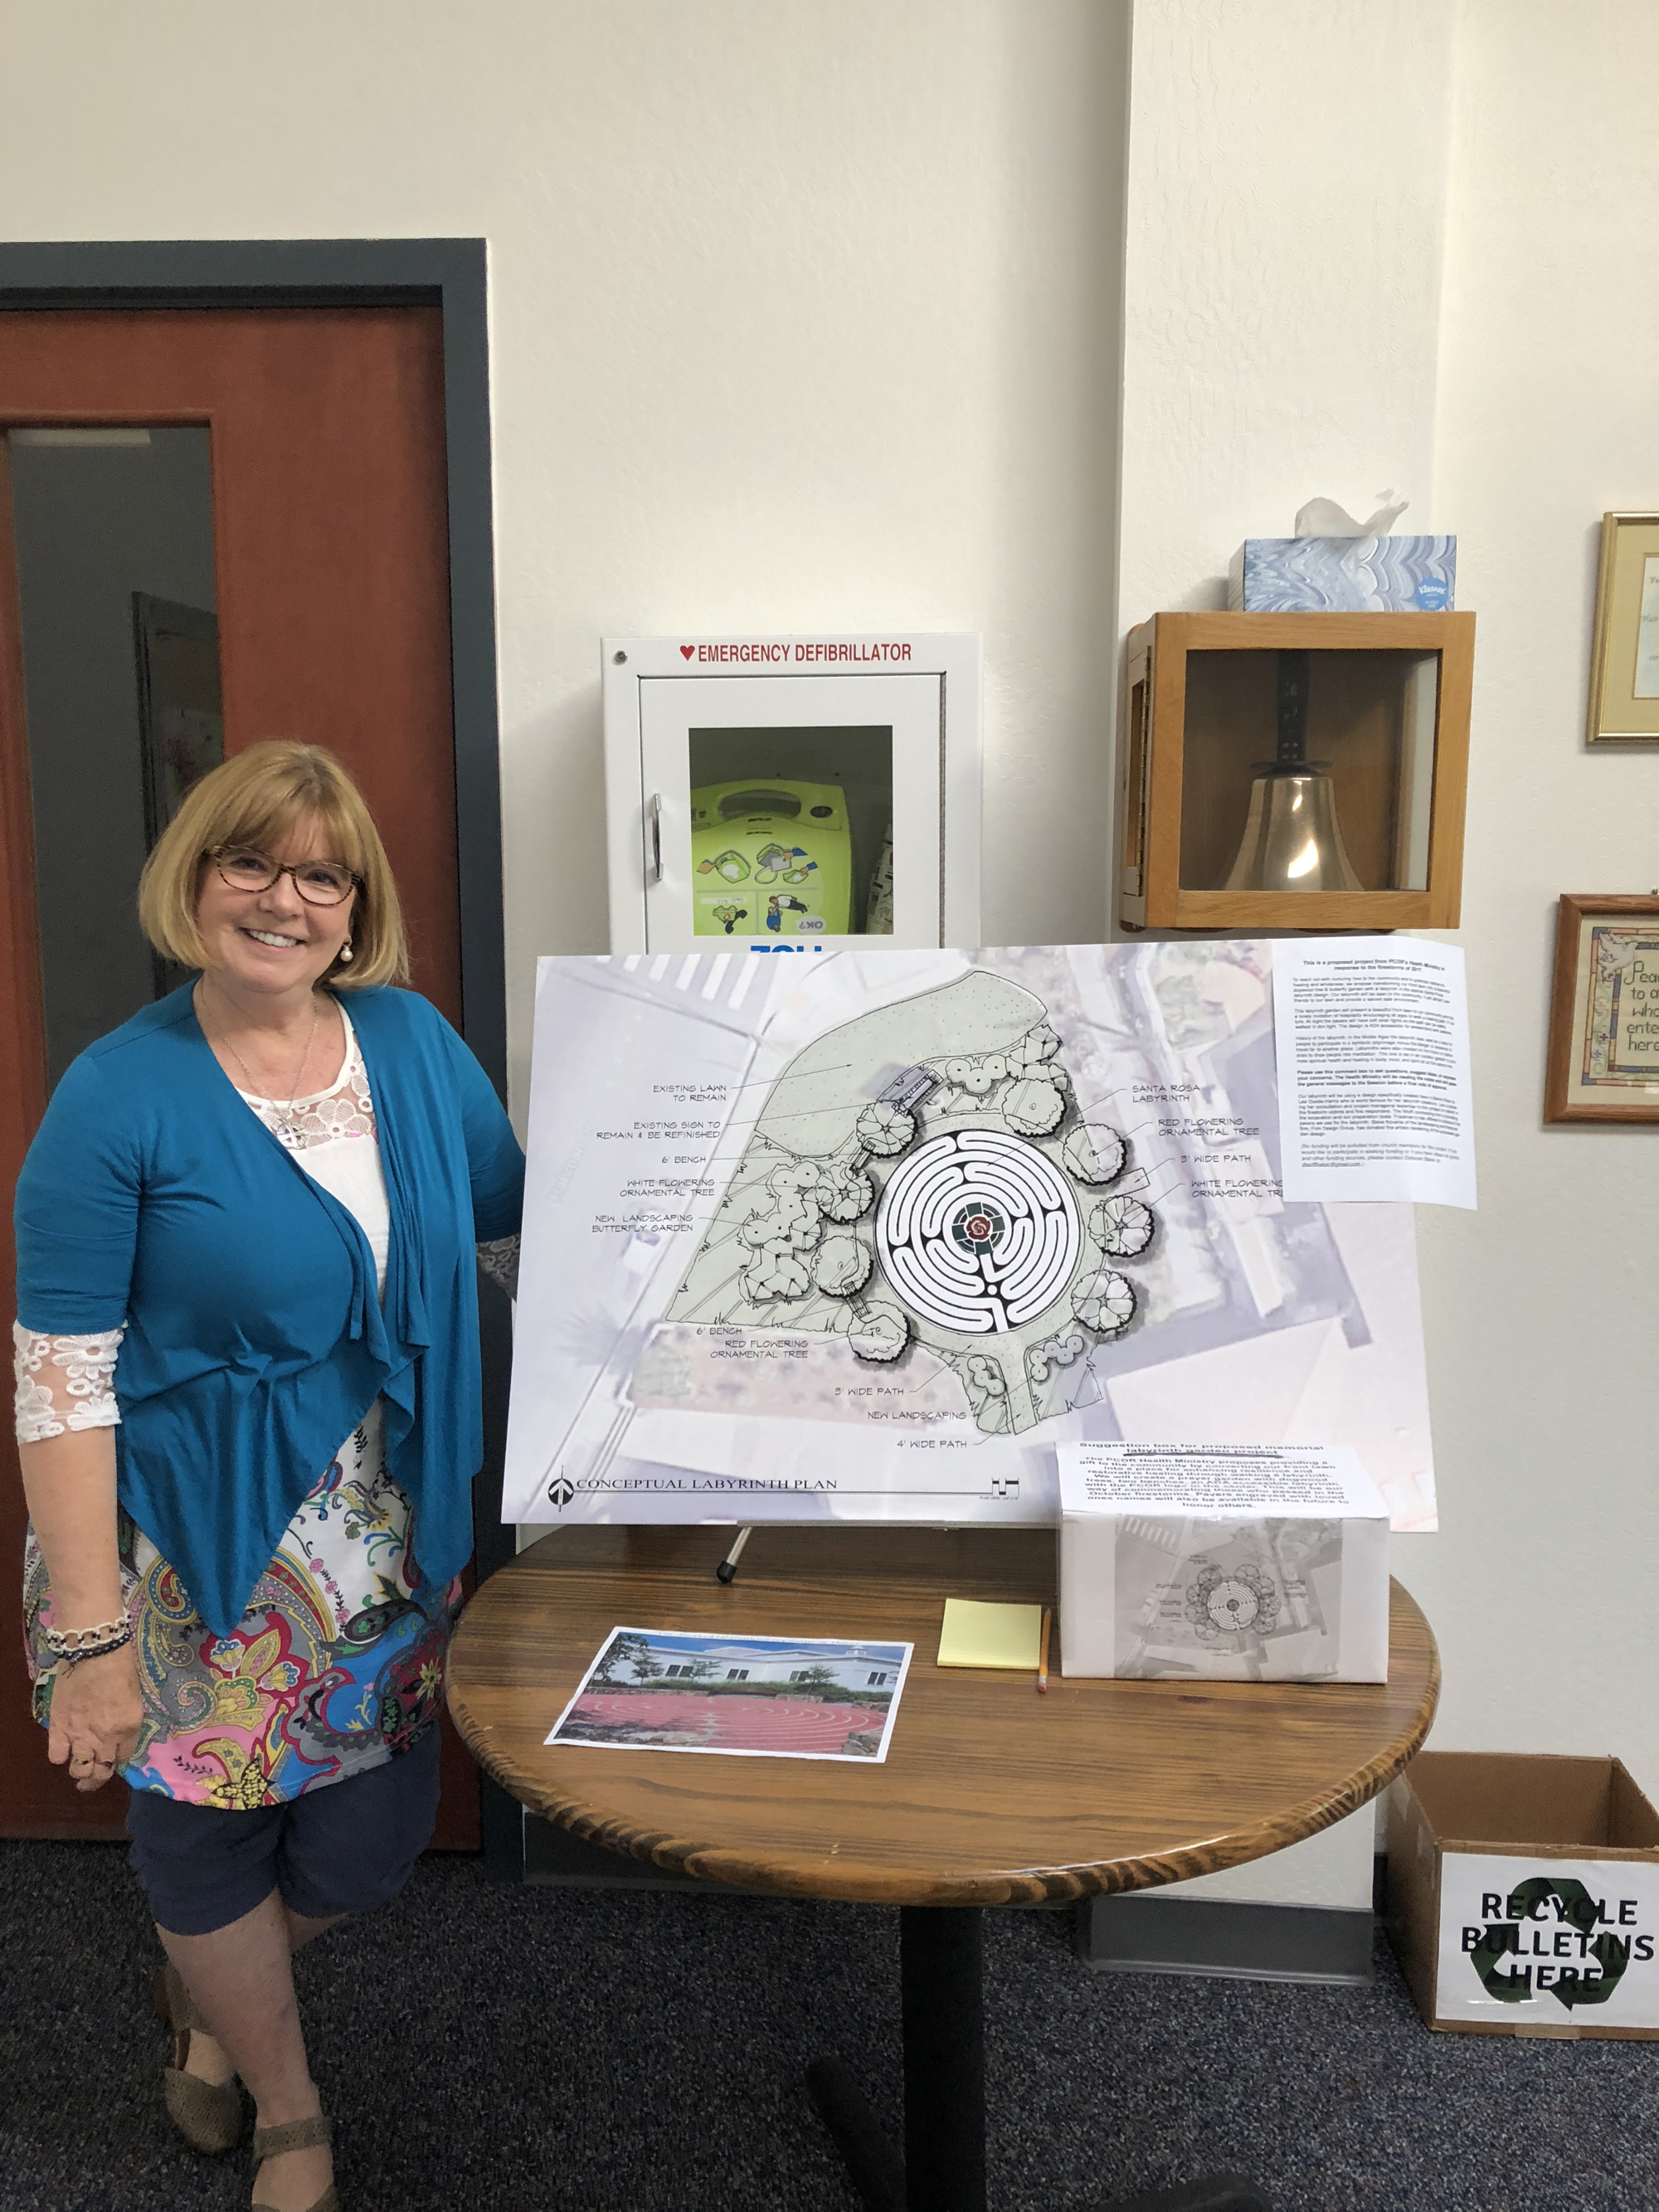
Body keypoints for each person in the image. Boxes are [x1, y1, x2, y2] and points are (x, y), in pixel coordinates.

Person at [14, 741, 523, 2212]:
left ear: (355, 910)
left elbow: (513, 1234)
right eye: (250, 862)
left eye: (321, 875)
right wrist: (92, 1640)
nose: (283, 899)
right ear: (196, 879)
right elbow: (59, 1380)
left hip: (391, 1535)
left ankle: (212, 1988)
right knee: (203, 1834)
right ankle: (287, 2104)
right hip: (189, 1542)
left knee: (369, 1845)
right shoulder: (118, 1094)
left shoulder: (413, 1045)